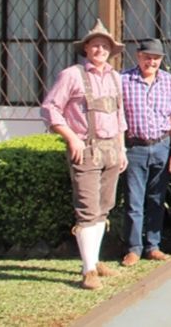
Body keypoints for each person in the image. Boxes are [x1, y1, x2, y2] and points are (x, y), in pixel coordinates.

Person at [40, 20, 128, 290]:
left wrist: (121, 148)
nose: (101, 49)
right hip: (86, 149)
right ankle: (87, 269)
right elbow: (50, 108)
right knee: (87, 210)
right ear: (86, 48)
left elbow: (119, 114)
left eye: (106, 46)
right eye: (96, 45)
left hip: (112, 149)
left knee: (104, 207)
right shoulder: (72, 75)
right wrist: (71, 139)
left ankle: (96, 260)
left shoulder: (115, 76)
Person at [120, 38, 171, 267]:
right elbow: (117, 117)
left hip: (162, 146)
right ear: (138, 56)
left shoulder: (168, 81)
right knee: (134, 201)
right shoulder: (124, 80)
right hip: (135, 147)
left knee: (157, 199)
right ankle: (133, 248)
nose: (152, 61)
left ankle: (153, 246)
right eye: (147, 57)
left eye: (156, 58)